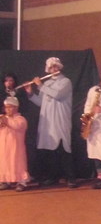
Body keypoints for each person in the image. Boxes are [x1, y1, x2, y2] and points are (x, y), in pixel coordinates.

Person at [24, 57, 78, 188]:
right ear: (48, 69)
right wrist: (31, 94)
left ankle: (71, 177)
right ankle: (53, 177)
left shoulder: (66, 81)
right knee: (49, 150)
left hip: (60, 119)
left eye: (56, 66)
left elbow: (58, 95)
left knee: (64, 148)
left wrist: (40, 86)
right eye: (51, 67)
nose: (54, 69)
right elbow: (41, 103)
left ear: (60, 67)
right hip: (48, 121)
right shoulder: (47, 83)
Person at [0, 97, 29, 192]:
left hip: (16, 148)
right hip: (3, 148)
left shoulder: (21, 119)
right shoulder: (3, 118)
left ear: (16, 107)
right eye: (6, 107)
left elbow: (17, 126)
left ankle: (21, 182)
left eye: (10, 107)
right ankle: (5, 181)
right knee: (4, 163)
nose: (8, 109)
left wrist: (6, 121)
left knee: (18, 164)